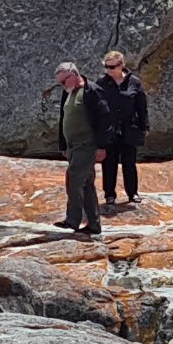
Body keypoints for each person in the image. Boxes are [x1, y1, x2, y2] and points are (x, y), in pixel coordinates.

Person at [54, 61, 114, 235]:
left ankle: (73, 221)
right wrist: (63, 145)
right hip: (73, 147)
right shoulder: (68, 93)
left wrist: (102, 146)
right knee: (87, 184)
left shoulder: (91, 91)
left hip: (87, 146)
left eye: (64, 81)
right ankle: (94, 224)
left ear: (74, 75)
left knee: (73, 179)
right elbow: (63, 118)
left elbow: (105, 119)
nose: (62, 85)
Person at [96, 50, 150, 207]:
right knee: (109, 163)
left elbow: (141, 106)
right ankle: (109, 195)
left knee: (129, 162)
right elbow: (96, 108)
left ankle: (132, 193)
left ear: (122, 65)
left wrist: (144, 126)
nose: (109, 70)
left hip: (129, 128)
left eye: (112, 67)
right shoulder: (101, 83)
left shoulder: (134, 82)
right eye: (106, 67)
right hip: (109, 129)